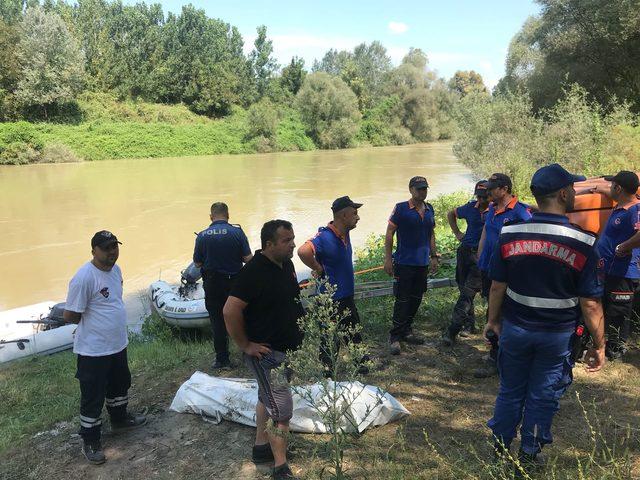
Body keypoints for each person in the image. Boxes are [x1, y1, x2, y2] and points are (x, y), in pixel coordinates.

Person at [484, 164, 605, 475]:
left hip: (516, 329)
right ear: (563, 194)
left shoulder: (511, 232)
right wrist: (599, 344)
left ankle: (500, 446)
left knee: (510, 389)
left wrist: (493, 321)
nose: (577, 193)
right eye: (574, 189)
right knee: (542, 394)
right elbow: (590, 303)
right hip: (556, 335)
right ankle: (528, 453)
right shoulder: (584, 242)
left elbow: (498, 285)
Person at [223, 220, 303, 480]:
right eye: (286, 241)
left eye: (292, 238)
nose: (293, 244)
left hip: (286, 347)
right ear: (269, 244)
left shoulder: (287, 264)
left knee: (264, 397)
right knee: (281, 410)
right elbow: (230, 309)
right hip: (267, 353)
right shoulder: (253, 272)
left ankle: (261, 448)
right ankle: (280, 467)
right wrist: (245, 345)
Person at [63, 231, 147, 465]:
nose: (112, 252)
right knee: (92, 395)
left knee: (120, 384)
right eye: (106, 248)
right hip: (93, 350)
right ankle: (90, 440)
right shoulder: (84, 277)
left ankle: (120, 419)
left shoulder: (116, 271)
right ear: (94, 251)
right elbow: (71, 314)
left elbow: (113, 301)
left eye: (114, 246)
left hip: (117, 344)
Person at [298, 196, 369, 374]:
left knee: (353, 330)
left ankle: (360, 363)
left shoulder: (345, 232)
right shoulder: (324, 236)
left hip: (346, 295)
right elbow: (303, 251)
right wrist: (317, 267)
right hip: (331, 299)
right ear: (343, 215)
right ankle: (327, 372)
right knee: (330, 337)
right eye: (354, 213)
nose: (358, 217)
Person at [474, 173, 532, 378]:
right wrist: (480, 255)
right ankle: (496, 353)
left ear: (505, 189)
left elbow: (531, 237)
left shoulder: (520, 212)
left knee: (504, 312)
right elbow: (485, 233)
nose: (488, 192)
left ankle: (499, 358)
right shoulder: (491, 208)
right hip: (489, 269)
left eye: (492, 188)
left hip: (509, 273)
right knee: (492, 309)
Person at [383, 176, 439, 356]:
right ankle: (395, 337)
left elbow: (431, 233)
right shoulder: (401, 209)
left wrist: (433, 256)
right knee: (402, 299)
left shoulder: (429, 209)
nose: (423, 192)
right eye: (419, 189)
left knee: (416, 298)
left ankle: (407, 330)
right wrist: (388, 259)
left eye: (425, 189)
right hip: (404, 262)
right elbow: (390, 233)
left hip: (422, 263)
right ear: (411, 190)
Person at [194, 202, 252, 369]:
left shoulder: (202, 236)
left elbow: (197, 263)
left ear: (211, 216)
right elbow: (248, 259)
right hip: (235, 283)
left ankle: (222, 359)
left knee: (217, 320)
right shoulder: (237, 232)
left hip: (213, 283)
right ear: (228, 215)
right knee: (241, 316)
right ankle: (247, 353)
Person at [589, 171, 640, 360]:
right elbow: (609, 191)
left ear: (619, 188)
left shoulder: (635, 209)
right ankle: (604, 344)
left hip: (624, 271)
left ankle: (616, 349)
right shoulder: (622, 205)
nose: (609, 189)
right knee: (606, 306)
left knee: (619, 311)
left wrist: (624, 246)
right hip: (609, 269)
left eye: (612, 186)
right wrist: (592, 187)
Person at [442, 180, 490, 346]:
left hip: (481, 256)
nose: (482, 200)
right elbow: (451, 214)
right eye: (479, 196)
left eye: (485, 197)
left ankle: (452, 330)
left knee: (467, 293)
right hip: (464, 253)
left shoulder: (496, 210)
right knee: (463, 288)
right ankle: (469, 325)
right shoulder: (470, 208)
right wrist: (457, 233)